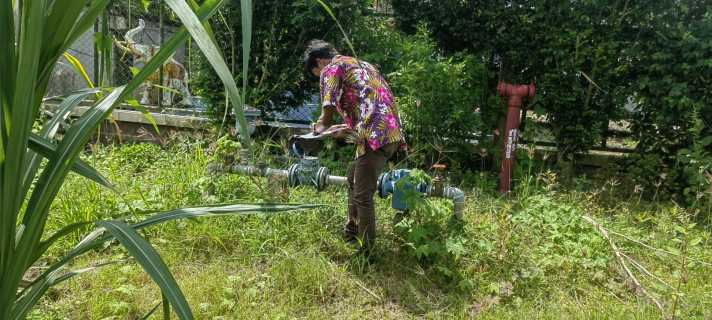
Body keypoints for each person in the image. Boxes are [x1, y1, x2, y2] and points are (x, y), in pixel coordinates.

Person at [303, 40, 406, 263]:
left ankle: (366, 254)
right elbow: (370, 105)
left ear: (319, 62)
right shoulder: (362, 65)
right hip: (391, 133)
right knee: (354, 179)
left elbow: (326, 114)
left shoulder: (330, 68)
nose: (320, 76)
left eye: (316, 72)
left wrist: (319, 127)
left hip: (374, 135)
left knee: (363, 195)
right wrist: (340, 128)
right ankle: (351, 232)